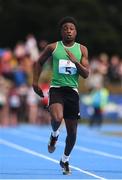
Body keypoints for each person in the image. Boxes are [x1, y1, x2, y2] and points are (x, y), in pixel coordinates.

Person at [32, 16, 90, 175]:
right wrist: (34, 83)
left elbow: (86, 74)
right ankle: (54, 134)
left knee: (72, 133)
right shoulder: (53, 47)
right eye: (65, 28)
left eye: (71, 28)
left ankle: (65, 159)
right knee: (57, 119)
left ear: (76, 32)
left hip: (72, 91)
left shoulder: (82, 49)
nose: (69, 31)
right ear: (61, 32)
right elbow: (38, 62)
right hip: (57, 89)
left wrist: (75, 62)